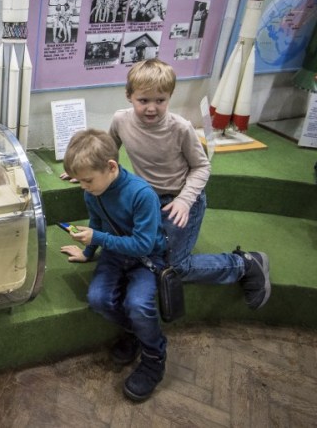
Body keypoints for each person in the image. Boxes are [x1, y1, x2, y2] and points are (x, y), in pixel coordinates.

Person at [108, 58, 271, 310]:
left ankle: (245, 264)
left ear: (169, 98)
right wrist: (90, 170)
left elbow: (202, 166)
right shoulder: (120, 120)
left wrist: (184, 201)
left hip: (181, 199)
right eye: (144, 100)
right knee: (148, 254)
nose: (152, 108)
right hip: (147, 199)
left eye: (160, 100)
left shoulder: (181, 128)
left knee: (177, 267)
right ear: (129, 96)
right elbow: (109, 151)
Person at [60, 128, 169, 402]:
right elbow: (96, 222)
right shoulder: (92, 192)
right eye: (80, 182)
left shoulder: (142, 194)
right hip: (113, 253)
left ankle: (154, 357)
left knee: (139, 305)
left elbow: (144, 245)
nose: (83, 187)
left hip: (146, 260)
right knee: (97, 299)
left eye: (87, 181)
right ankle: (132, 331)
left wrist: (98, 238)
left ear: (111, 167)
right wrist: (88, 251)